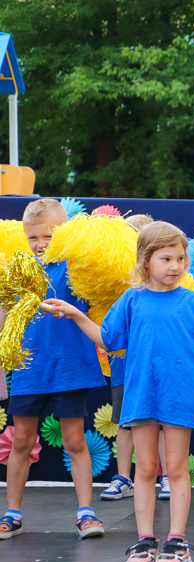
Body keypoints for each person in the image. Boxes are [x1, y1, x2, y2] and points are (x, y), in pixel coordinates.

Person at [44, 221, 194, 562]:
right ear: (146, 261)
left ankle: (177, 542)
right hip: (143, 396)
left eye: (181, 259)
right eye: (166, 259)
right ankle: (144, 542)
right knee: (145, 468)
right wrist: (78, 314)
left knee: (174, 468)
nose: (175, 266)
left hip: (179, 398)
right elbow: (109, 339)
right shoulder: (132, 300)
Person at [1, 199, 106, 541]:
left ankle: (86, 513)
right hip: (30, 369)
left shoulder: (79, 268)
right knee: (21, 441)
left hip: (70, 369)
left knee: (75, 441)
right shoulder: (18, 271)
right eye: (33, 237)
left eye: (50, 235)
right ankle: (12, 513)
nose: (41, 243)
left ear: (66, 233)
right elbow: (5, 318)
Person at [101, 213, 174, 504]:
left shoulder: (170, 281)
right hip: (126, 363)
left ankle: (166, 475)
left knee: (159, 421)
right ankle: (123, 477)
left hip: (161, 362)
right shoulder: (118, 278)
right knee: (125, 420)